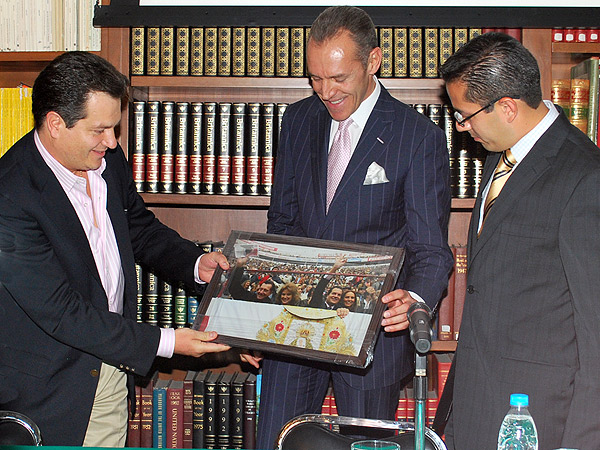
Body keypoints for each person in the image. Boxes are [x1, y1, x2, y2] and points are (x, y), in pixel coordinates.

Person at [0, 51, 235, 447]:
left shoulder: (105, 157)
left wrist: (196, 264)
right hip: (49, 389)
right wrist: (167, 342)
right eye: (100, 130)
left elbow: (137, 228)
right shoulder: (10, 195)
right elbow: (61, 312)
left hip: (111, 368)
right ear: (55, 123)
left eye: (114, 127)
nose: (112, 142)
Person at [259, 6, 453, 448]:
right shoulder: (297, 120)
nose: (325, 91)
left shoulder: (417, 136)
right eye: (315, 78)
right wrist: (259, 315)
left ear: (373, 61)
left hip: (373, 339)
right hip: (292, 329)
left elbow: (430, 249)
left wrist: (417, 299)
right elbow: (282, 224)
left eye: (338, 78)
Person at [434, 32, 600, 450]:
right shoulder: (499, 156)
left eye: (465, 115)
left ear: (507, 107)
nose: (462, 127)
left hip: (537, 419)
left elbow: (595, 332)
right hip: (474, 402)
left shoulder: (585, 176)